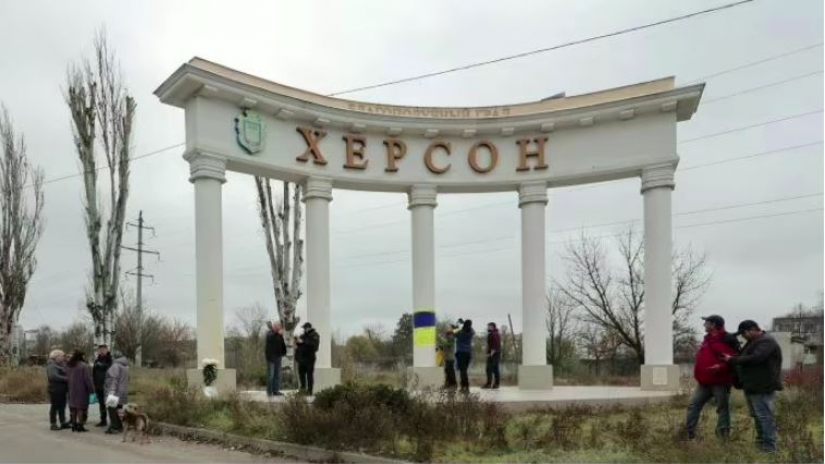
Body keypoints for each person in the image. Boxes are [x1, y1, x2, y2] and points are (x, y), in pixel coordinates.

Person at [722, 320, 783, 453]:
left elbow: (756, 358)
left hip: (763, 385)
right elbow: (744, 357)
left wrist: (732, 360)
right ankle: (762, 443)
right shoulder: (753, 342)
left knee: (765, 416)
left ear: (753, 329)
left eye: (744, 333)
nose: (743, 336)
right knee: (758, 416)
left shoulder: (767, 341)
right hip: (752, 385)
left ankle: (770, 448)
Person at [685, 315, 739, 440]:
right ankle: (690, 434)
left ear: (713, 325)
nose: (704, 325)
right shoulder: (707, 339)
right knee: (693, 406)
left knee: (722, 409)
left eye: (706, 323)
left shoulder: (726, 339)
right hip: (704, 382)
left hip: (720, 382)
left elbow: (734, 359)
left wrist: (720, 367)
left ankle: (723, 437)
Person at [66, 350, 94, 432]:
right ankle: (80, 425)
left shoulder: (70, 365)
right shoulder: (83, 366)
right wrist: (91, 389)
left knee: (73, 407)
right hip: (82, 389)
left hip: (71, 389)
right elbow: (87, 379)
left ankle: (74, 425)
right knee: (80, 408)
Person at [104, 352, 130, 434]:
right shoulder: (126, 366)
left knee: (111, 409)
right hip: (123, 392)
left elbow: (113, 379)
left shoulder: (115, 366)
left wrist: (111, 392)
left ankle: (114, 427)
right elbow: (128, 379)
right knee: (119, 409)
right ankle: (119, 426)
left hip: (115, 392)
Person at [46, 349, 70, 431]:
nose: (63, 357)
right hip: (55, 389)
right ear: (56, 356)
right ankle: (53, 424)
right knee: (55, 406)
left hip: (62, 389)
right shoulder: (51, 366)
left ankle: (63, 422)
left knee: (62, 406)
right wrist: (67, 379)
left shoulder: (61, 365)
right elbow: (53, 376)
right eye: (62, 356)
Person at [295, 322, 319, 395]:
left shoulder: (315, 335)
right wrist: (297, 342)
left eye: (305, 328)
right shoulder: (302, 336)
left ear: (309, 328)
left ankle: (309, 391)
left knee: (309, 375)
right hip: (302, 359)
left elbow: (315, 347)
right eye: (304, 328)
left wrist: (303, 342)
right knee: (301, 375)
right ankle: (303, 390)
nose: (304, 329)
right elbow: (299, 347)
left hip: (310, 358)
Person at [265, 321, 288, 397]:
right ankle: (269, 392)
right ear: (274, 326)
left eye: (280, 326)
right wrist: (277, 333)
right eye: (279, 326)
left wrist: (284, 352)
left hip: (278, 357)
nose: (280, 327)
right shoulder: (270, 333)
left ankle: (276, 391)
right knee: (270, 375)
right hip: (271, 358)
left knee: (277, 375)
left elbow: (282, 344)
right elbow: (270, 338)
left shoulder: (279, 335)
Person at [92, 344, 112, 427]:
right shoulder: (97, 360)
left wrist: (102, 365)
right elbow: (93, 373)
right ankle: (103, 420)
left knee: (111, 404)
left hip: (108, 386)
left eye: (103, 349)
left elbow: (111, 369)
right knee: (101, 404)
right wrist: (94, 384)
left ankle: (113, 422)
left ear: (107, 350)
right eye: (100, 350)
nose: (102, 351)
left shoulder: (110, 359)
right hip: (98, 385)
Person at [455, 319, 475, 393]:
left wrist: (457, 324)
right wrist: (465, 323)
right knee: (464, 370)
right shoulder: (471, 332)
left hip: (461, 353)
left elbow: (454, 332)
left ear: (464, 325)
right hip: (468, 353)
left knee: (462, 371)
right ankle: (465, 387)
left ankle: (465, 387)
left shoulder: (461, 332)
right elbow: (473, 330)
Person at [482, 322, 502, 389]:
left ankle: (489, 384)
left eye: (489, 326)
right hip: (494, 353)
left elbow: (495, 345)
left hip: (494, 354)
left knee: (489, 369)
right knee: (495, 369)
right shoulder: (494, 333)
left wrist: (490, 354)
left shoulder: (494, 334)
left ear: (492, 327)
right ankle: (496, 384)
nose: (487, 327)